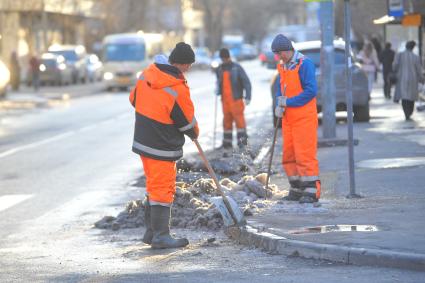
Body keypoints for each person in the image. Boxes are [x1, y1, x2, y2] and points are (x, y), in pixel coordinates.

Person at [129, 42, 199, 249]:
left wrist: (153, 111)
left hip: (143, 141)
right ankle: (161, 235)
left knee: (153, 185)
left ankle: (151, 232)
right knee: (162, 188)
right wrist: (194, 134)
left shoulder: (147, 75)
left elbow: (133, 99)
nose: (188, 70)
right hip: (162, 145)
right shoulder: (176, 87)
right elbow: (187, 122)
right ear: (185, 65)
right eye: (189, 66)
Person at [271, 34, 321, 204]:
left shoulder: (304, 64)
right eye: (277, 54)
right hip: (288, 118)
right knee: (289, 155)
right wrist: (279, 103)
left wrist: (288, 102)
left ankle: (311, 191)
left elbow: (311, 91)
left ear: (288, 50)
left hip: (304, 117)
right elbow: (281, 87)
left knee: (304, 154)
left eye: (280, 53)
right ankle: (296, 188)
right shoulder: (283, 66)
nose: (279, 57)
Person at [215, 48, 251, 150]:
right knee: (226, 122)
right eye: (223, 58)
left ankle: (242, 143)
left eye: (225, 58)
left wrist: (248, 97)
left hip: (236, 100)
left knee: (240, 122)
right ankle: (227, 143)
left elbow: (246, 82)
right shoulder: (220, 69)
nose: (224, 60)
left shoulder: (237, 68)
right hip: (225, 101)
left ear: (229, 57)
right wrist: (217, 89)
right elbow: (219, 82)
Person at [393, 41, 425, 120]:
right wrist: (421, 78)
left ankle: (406, 113)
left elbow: (395, 66)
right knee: (411, 97)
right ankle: (409, 112)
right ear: (413, 47)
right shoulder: (415, 57)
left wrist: (395, 71)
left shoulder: (399, 55)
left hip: (402, 78)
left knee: (404, 97)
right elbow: (419, 69)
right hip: (413, 79)